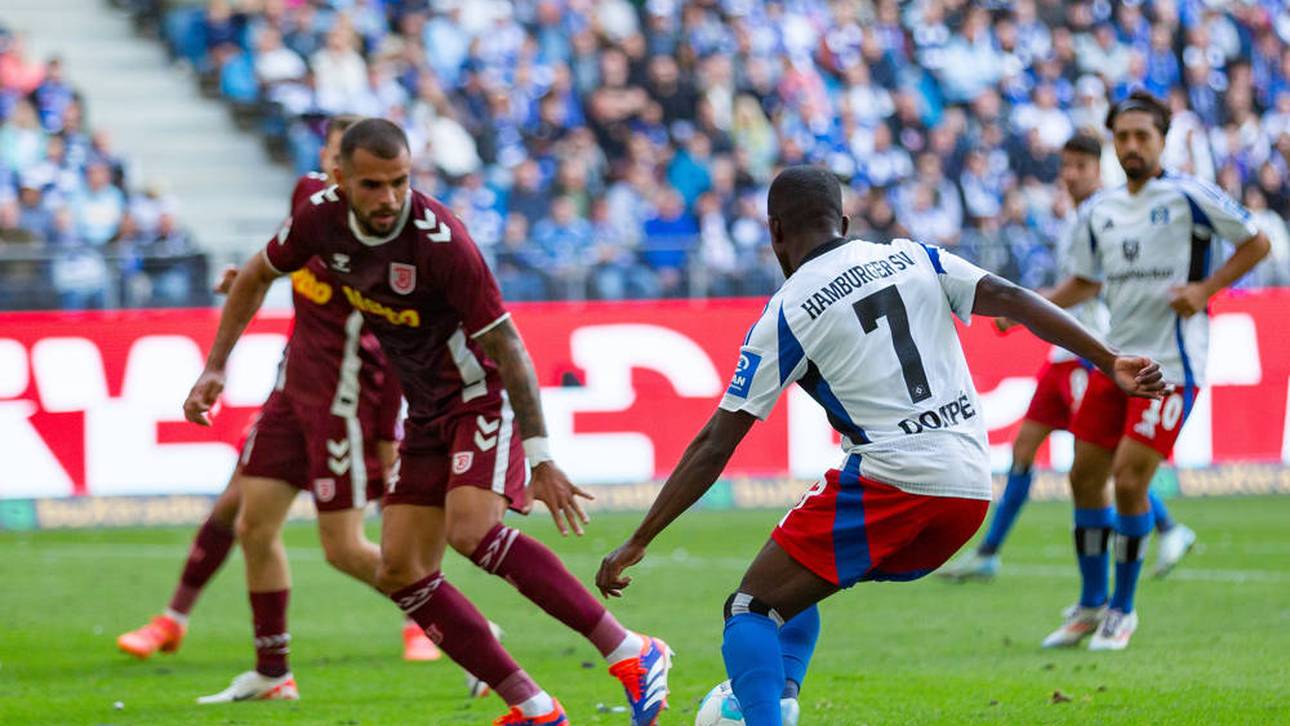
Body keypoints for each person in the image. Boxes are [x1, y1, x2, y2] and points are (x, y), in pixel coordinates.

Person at [595, 165, 1165, 726]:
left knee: (750, 609)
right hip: (968, 488)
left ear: (774, 232)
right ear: (843, 219)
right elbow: (1011, 297)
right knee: (793, 588)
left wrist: (638, 538)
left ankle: (764, 714)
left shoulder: (787, 312)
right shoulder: (914, 255)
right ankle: (780, 700)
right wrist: (1108, 358)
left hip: (893, 483)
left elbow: (715, 443)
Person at [183, 118, 671, 726]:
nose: (389, 198)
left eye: (400, 182)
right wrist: (214, 367)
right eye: (373, 185)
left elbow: (511, 348)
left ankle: (630, 649)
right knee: (402, 571)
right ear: (340, 179)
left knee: (472, 534)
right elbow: (256, 274)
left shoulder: (441, 240)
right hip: (426, 409)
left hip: (479, 397)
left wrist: (541, 454)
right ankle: (534, 708)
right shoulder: (319, 218)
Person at [117, 116, 444, 703]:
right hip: (291, 389)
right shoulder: (309, 201)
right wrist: (247, 279)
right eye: (334, 157)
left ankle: (455, 628)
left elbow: (396, 334)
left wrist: (392, 426)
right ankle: (272, 672)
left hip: (345, 395)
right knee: (250, 521)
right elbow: (279, 257)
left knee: (345, 548)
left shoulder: (384, 237)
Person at [1038, 91, 1269, 651]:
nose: (1133, 145)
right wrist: (1031, 303)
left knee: (1130, 479)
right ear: (1114, 144)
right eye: (1123, 137)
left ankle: (1123, 608)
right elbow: (1088, 282)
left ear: (1163, 139)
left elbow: (1256, 241)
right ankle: (1091, 604)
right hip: (1115, 362)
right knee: (1082, 478)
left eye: (1143, 135)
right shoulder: (1102, 211)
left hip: (1171, 366)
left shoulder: (1191, 195)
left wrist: (1206, 289)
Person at [940, 132, 1196, 583]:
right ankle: (989, 552)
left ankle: (1168, 527)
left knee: (1103, 457)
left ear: (1100, 169)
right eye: (1066, 167)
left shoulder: (1108, 216)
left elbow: (1092, 284)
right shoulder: (1078, 216)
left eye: (1081, 166)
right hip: (1062, 356)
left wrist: (1026, 311)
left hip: (1090, 352)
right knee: (1024, 448)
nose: (1070, 175)